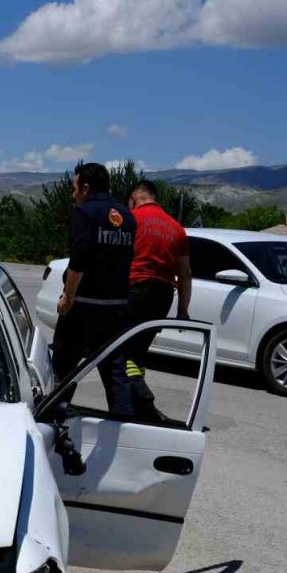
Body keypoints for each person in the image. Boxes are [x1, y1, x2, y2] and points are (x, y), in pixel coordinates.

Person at [51, 162, 136, 416]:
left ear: (85, 188)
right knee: (114, 368)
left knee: (64, 366)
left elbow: (79, 260)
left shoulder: (85, 212)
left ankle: (55, 417)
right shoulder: (127, 216)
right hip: (116, 305)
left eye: (74, 188)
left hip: (84, 305)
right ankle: (123, 423)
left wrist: (68, 296)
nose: (73, 194)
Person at [126, 178, 192, 420]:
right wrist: (183, 310)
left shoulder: (132, 220)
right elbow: (185, 272)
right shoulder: (176, 228)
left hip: (135, 289)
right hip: (163, 296)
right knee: (139, 350)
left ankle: (143, 403)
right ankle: (136, 408)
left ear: (134, 198)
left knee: (120, 352)